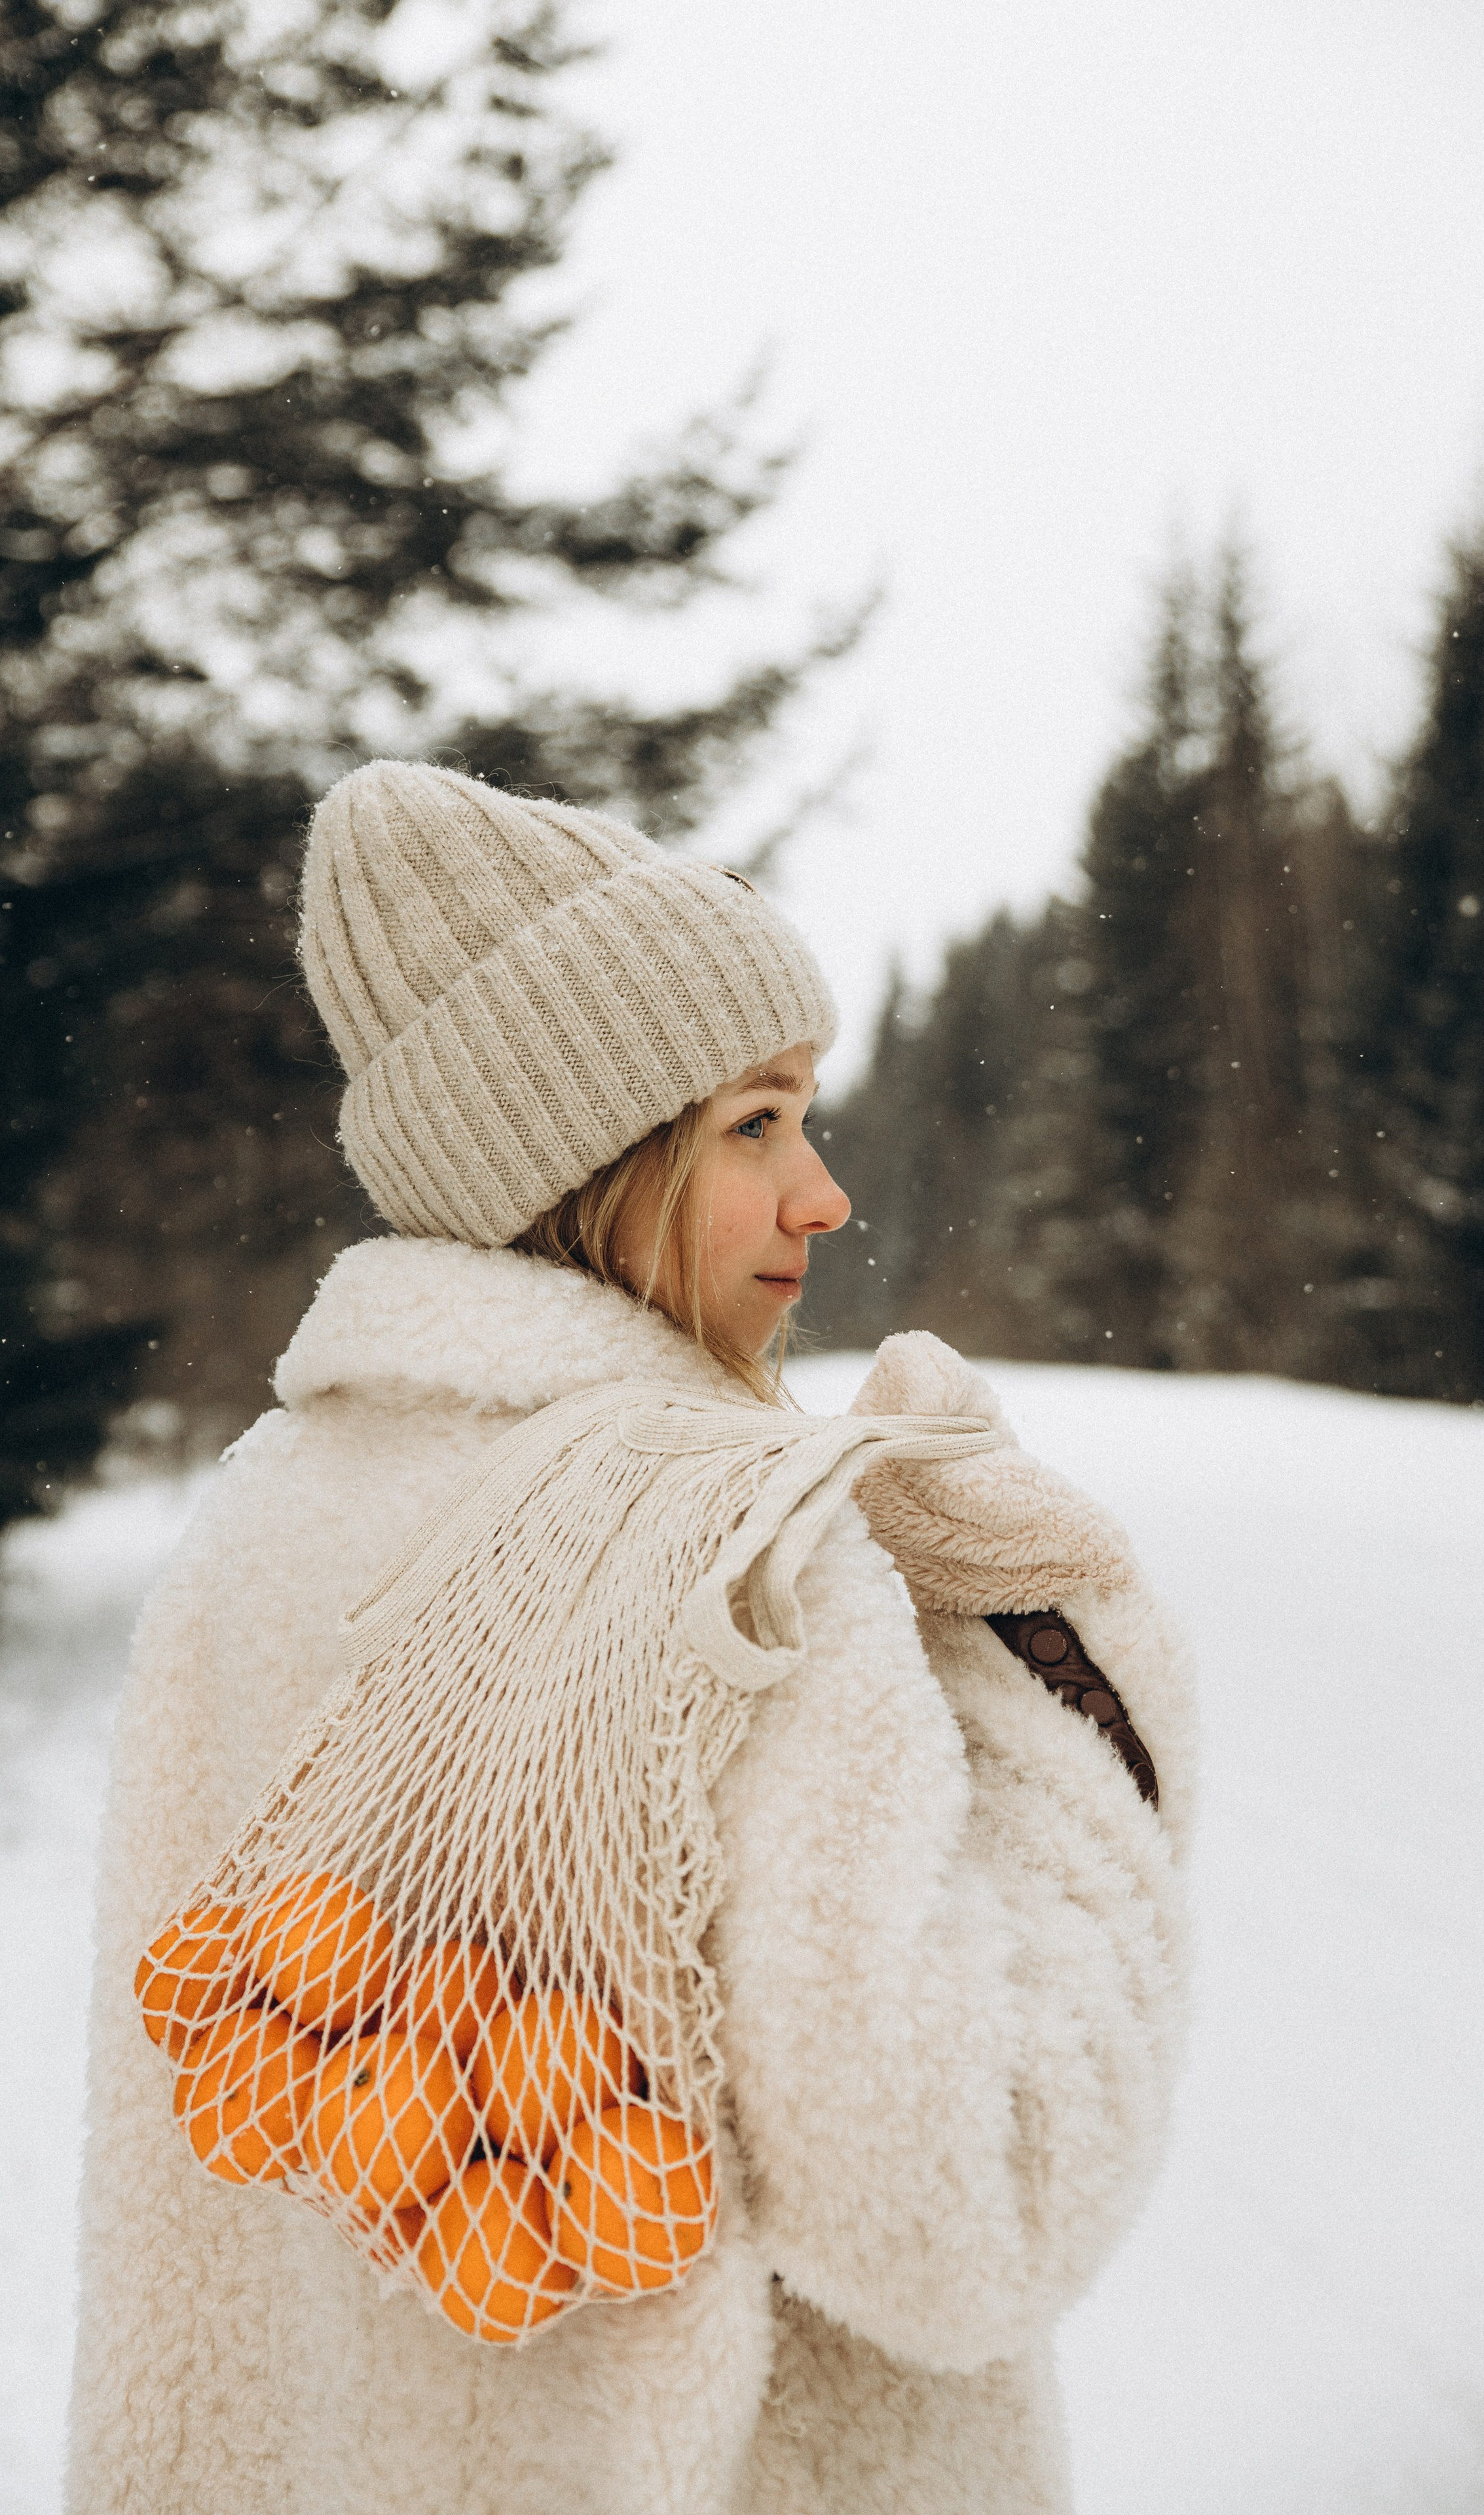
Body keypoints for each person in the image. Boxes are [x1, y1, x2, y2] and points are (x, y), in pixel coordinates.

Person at [66, 762, 1193, 2515]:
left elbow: (207, 2218)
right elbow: (972, 2206)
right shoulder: (738, 1553)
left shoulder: (260, 1522)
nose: (822, 1196)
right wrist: (1052, 1661)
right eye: (756, 1127)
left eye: (805, 1121)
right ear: (591, 1160)